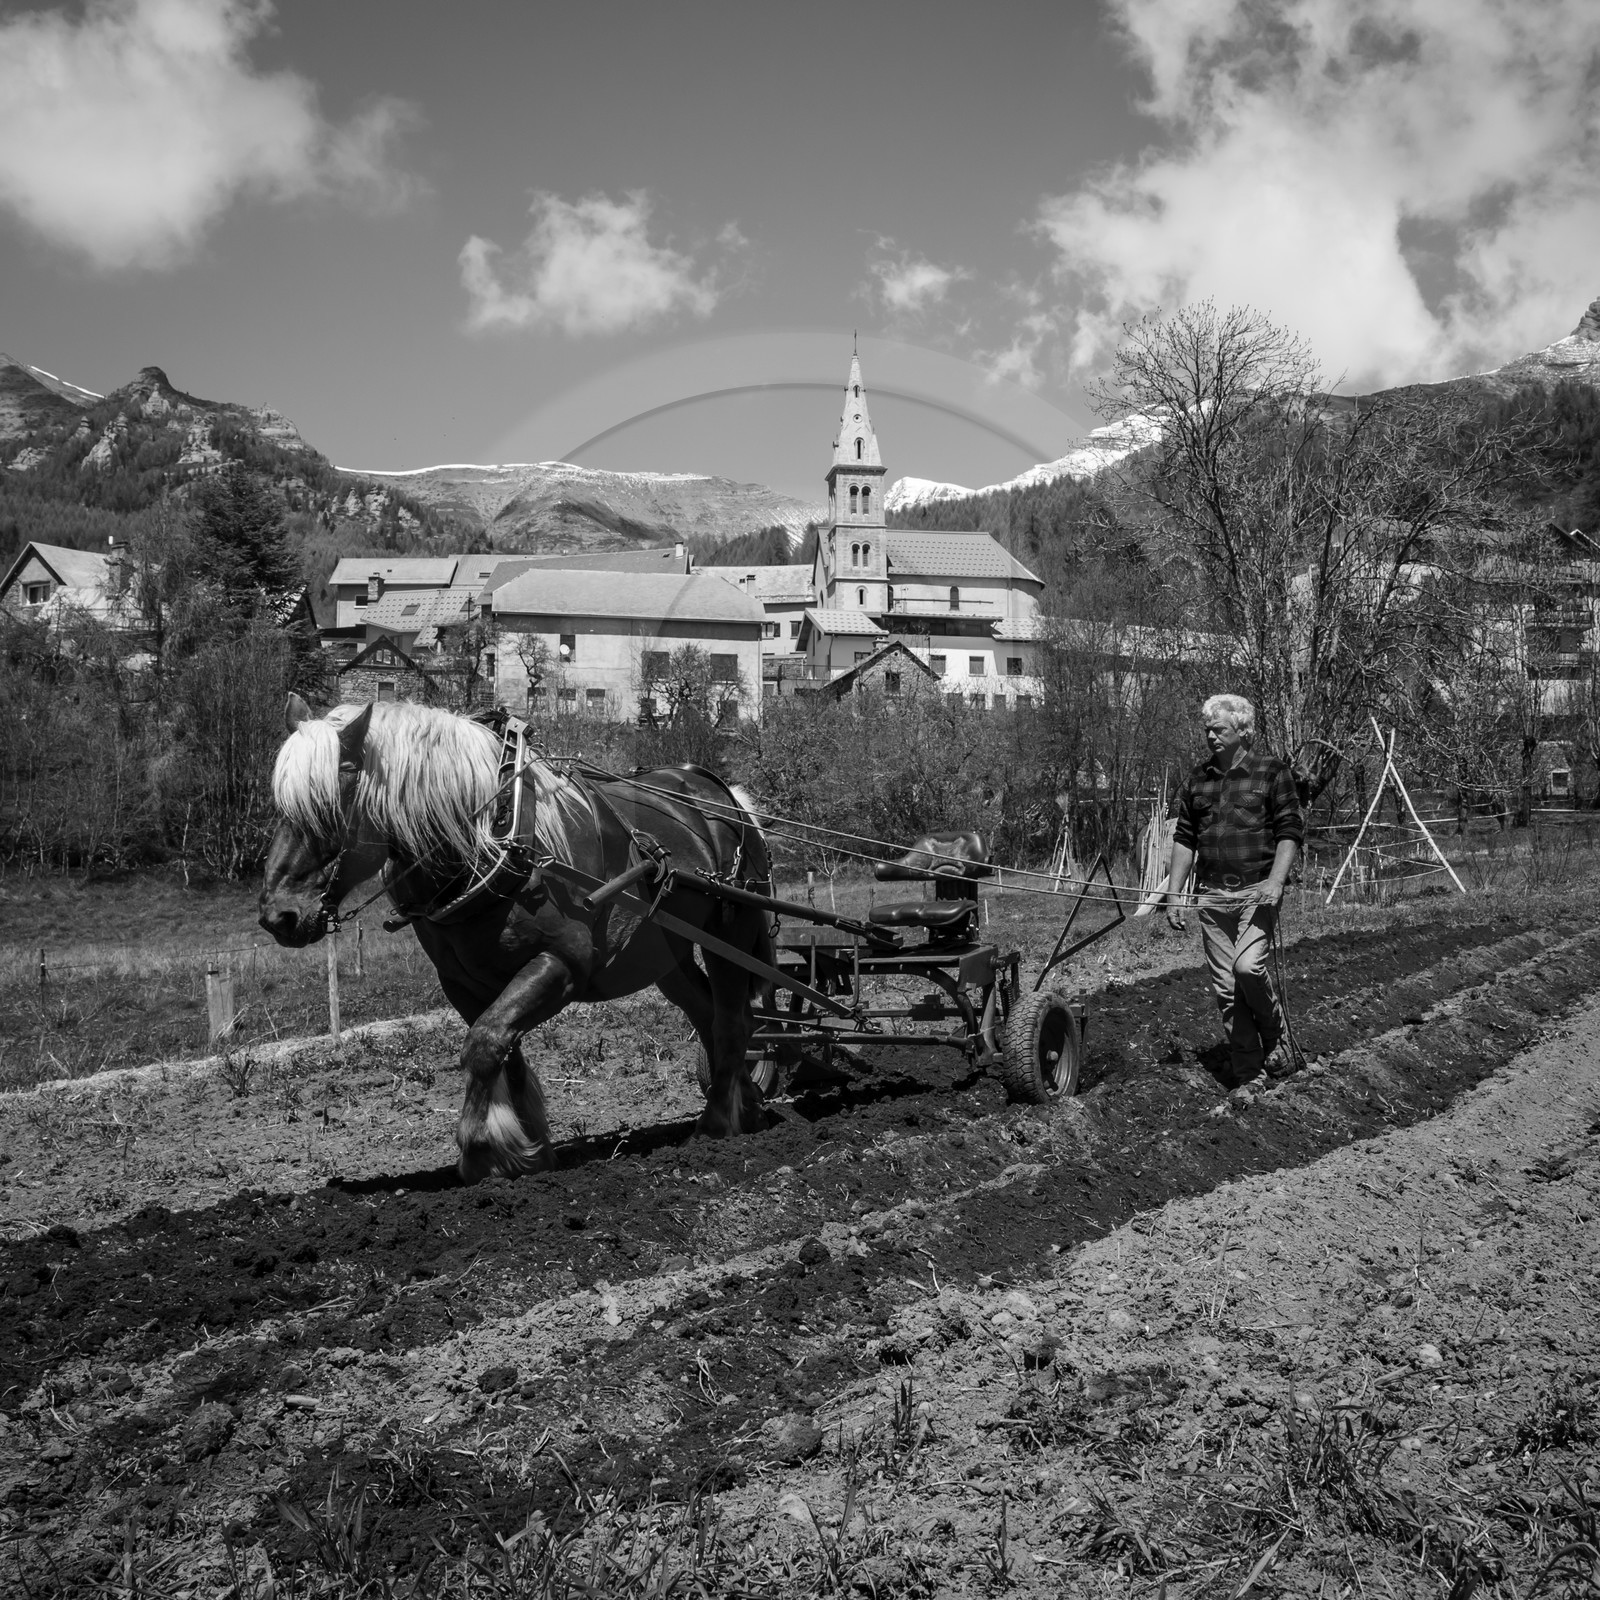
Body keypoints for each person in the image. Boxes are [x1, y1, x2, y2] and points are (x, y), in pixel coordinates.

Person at [1165, 694, 1303, 1081]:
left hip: (1256, 891)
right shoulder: (1197, 779)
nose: (1211, 736)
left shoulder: (1272, 772)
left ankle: (1275, 1032)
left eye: (1219, 729)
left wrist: (1276, 882)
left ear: (1242, 730)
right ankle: (1248, 1072)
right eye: (1207, 729)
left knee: (1247, 967)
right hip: (1211, 895)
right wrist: (1174, 895)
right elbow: (1184, 837)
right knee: (1227, 989)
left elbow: (1291, 830)